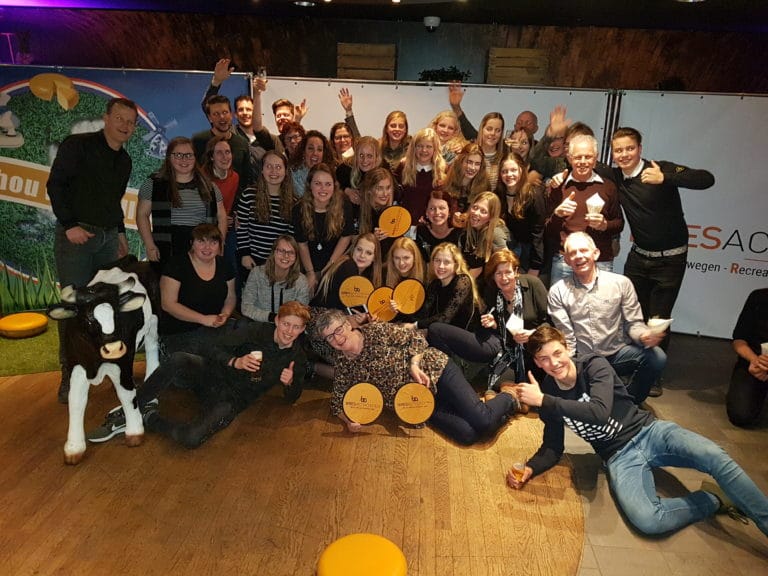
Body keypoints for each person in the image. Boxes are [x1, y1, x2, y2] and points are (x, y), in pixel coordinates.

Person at [509, 325, 768, 540]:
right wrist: (531, 468)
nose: (554, 363)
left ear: (567, 348)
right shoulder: (549, 392)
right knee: (648, 520)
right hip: (618, 457)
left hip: (650, 431)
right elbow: (553, 446)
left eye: (557, 353)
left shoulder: (593, 365)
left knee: (714, 455)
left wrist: (544, 401)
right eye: (544, 359)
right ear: (537, 363)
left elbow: (599, 412)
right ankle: (714, 500)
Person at [87, 224, 237, 443]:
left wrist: (225, 314)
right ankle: (129, 412)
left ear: (220, 245)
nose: (207, 247)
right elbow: (168, 304)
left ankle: (196, 401)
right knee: (204, 362)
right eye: (201, 241)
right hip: (180, 335)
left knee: (229, 352)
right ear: (192, 244)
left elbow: (230, 296)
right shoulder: (177, 265)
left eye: (213, 242)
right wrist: (204, 319)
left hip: (213, 330)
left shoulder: (224, 265)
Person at [315, 309, 521, 446]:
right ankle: (496, 411)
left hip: (436, 371)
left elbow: (416, 338)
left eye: (338, 330)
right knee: (468, 435)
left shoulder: (376, 331)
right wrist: (348, 421)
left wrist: (414, 364)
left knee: (482, 420)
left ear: (348, 324)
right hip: (416, 402)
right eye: (329, 337)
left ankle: (509, 397)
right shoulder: (343, 364)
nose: (337, 338)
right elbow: (337, 402)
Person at [47, 97, 137, 403]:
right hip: (77, 238)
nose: (125, 126)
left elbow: (113, 201)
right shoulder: (78, 145)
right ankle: (70, 373)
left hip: (108, 239)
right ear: (106, 118)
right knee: (73, 306)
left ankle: (102, 364)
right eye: (120, 119)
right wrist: (69, 224)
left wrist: (120, 232)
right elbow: (56, 185)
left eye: (131, 122)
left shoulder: (125, 161)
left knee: (106, 304)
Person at [138, 301, 310, 448]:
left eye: (296, 327)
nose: (289, 331)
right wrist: (235, 361)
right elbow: (212, 347)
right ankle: (134, 405)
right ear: (277, 320)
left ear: (302, 329)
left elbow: (293, 397)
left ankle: (150, 418)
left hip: (232, 398)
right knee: (179, 358)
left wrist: (290, 383)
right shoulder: (256, 330)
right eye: (286, 324)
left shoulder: (297, 357)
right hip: (213, 373)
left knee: (191, 438)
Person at [611, 126, 715, 357]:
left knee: (658, 320)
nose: (624, 154)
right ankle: (632, 363)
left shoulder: (660, 168)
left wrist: (666, 178)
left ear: (640, 149)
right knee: (632, 315)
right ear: (613, 153)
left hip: (670, 260)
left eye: (629, 148)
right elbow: (582, 164)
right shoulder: (615, 176)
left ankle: (654, 367)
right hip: (638, 257)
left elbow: (706, 179)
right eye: (618, 150)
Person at [548, 232, 666, 404]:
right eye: (572, 253)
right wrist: (568, 367)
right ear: (566, 260)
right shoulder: (558, 291)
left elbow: (633, 323)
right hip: (584, 359)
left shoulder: (621, 283)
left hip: (616, 354)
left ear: (595, 253)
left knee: (657, 357)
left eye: (583, 250)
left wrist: (644, 336)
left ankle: (630, 400)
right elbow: (567, 336)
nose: (579, 256)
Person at [428, 249, 549, 395]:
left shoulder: (532, 284)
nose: (504, 278)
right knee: (497, 386)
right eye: (498, 273)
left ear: (516, 272)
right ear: (493, 276)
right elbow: (498, 332)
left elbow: (550, 323)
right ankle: (511, 398)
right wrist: (494, 324)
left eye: (508, 272)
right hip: (509, 351)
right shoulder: (492, 293)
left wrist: (533, 334)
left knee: (532, 383)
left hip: (536, 348)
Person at [136, 136, 227, 274]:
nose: (184, 160)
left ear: (195, 158)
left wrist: (220, 244)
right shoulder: (154, 184)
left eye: (189, 155)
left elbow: (221, 216)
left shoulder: (210, 186)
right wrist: (149, 245)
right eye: (178, 155)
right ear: (169, 157)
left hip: (202, 249)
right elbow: (142, 215)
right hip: (167, 250)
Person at [544, 134, 623, 285]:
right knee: (560, 301)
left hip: (600, 260)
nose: (582, 162)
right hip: (566, 260)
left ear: (596, 158)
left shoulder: (608, 187)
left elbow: (619, 224)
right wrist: (558, 215)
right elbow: (547, 230)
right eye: (578, 157)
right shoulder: (558, 186)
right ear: (569, 158)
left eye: (588, 157)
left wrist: (604, 225)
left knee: (601, 301)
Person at [293, 163, 355, 293]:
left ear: (334, 186)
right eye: (318, 184)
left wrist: (330, 267)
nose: (323, 189)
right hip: (308, 262)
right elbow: (302, 244)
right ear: (309, 185)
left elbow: (346, 236)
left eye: (328, 184)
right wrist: (310, 273)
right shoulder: (299, 209)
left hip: (335, 260)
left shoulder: (344, 204)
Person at [236, 151, 296, 270]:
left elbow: (290, 236)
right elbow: (241, 228)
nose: (274, 171)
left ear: (285, 171)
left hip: (279, 262)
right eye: (269, 166)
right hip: (251, 260)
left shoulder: (293, 202)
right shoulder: (249, 195)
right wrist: (245, 255)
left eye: (278, 167)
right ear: (262, 170)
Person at [408, 242, 480, 331]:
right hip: (443, 333)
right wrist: (401, 310)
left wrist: (415, 325)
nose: (441, 266)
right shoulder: (435, 284)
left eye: (447, 262)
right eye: (437, 260)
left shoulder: (462, 281)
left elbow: (446, 318)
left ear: (456, 265)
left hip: (467, 333)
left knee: (434, 327)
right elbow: (424, 313)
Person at [496, 152, 545, 276]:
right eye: (504, 171)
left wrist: (535, 266)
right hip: (507, 252)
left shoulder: (533, 194)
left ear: (521, 171)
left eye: (513, 170)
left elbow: (538, 233)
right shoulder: (498, 194)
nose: (509, 175)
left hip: (529, 253)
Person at [241, 235, 309, 323]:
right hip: (258, 324)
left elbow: (301, 314)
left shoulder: (301, 281)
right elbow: (246, 307)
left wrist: (283, 322)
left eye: (291, 252)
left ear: (296, 257)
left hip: (288, 326)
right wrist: (272, 317)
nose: (286, 256)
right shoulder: (256, 273)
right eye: (281, 251)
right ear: (273, 252)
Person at [201, 135, 240, 287]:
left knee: (231, 266)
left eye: (227, 152)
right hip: (205, 229)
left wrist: (234, 216)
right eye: (219, 153)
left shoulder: (234, 177)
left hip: (225, 228)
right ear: (211, 157)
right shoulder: (202, 178)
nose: (225, 157)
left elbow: (229, 206)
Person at [192, 93, 251, 191]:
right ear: (209, 118)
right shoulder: (198, 141)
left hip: (237, 199)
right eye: (216, 114)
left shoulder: (242, 143)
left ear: (231, 115)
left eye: (225, 112)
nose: (222, 117)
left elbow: (246, 178)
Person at [726, 288, 768, 427]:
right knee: (741, 415)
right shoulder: (758, 297)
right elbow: (739, 340)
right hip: (754, 364)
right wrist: (754, 360)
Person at [310, 232, 383, 312]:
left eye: (368, 253)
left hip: (328, 315)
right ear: (353, 249)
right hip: (321, 316)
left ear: (374, 258)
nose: (362, 255)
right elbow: (352, 309)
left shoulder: (364, 274)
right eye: (359, 249)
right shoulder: (349, 266)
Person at [394, 127, 447, 226]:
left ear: (435, 149)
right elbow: (394, 195)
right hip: (403, 223)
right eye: (420, 146)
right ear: (414, 148)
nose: (424, 150)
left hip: (430, 226)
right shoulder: (403, 166)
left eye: (429, 146)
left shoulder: (442, 170)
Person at [458, 191, 510, 277]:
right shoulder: (467, 230)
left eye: (483, 211)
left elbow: (507, 264)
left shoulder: (496, 234)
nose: (476, 213)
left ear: (491, 216)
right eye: (475, 207)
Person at [358, 167, 399, 258]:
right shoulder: (359, 211)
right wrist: (372, 239)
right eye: (379, 188)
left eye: (388, 188)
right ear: (369, 190)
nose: (385, 193)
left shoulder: (395, 212)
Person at [415, 190, 460, 263]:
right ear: (426, 212)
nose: (437, 212)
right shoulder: (418, 232)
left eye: (442, 208)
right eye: (432, 208)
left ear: (449, 211)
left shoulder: (460, 234)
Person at [336, 135, 382, 207]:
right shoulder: (344, 169)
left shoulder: (383, 170)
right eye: (361, 155)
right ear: (355, 156)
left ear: (376, 157)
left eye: (369, 156)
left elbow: (396, 193)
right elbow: (333, 187)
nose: (365, 160)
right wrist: (347, 191)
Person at [443, 142, 489, 214]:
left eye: (477, 164)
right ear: (460, 161)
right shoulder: (445, 183)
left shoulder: (485, 188)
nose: (472, 168)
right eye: (469, 162)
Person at [289, 129, 335, 197]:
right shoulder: (291, 175)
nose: (315, 153)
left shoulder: (331, 175)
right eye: (310, 148)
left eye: (319, 150)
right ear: (303, 151)